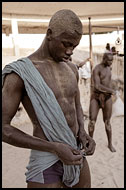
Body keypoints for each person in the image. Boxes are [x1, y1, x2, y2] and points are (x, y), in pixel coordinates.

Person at [2, 9, 96, 188]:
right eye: (66, 44)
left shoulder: (72, 69)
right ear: (49, 34)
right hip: (46, 158)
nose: (70, 51)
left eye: (74, 47)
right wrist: (54, 148)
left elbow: (76, 106)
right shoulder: (20, 73)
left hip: (75, 152)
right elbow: (3, 128)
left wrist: (83, 132)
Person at [88, 52, 116, 152]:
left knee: (107, 122)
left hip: (107, 98)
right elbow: (97, 86)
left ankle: (110, 144)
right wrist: (111, 91)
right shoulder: (97, 69)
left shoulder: (109, 68)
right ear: (104, 59)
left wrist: (112, 89)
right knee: (92, 122)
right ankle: (89, 144)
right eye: (109, 60)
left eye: (112, 60)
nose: (111, 62)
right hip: (96, 97)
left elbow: (108, 82)